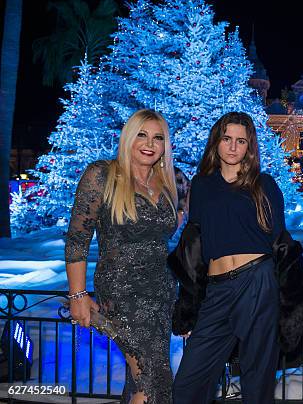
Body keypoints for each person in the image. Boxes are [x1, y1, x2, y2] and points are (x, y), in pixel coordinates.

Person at [65, 109, 180, 404]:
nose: (150, 143)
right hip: (122, 292)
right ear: (128, 137)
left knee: (140, 378)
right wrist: (78, 295)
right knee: (154, 379)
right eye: (142, 134)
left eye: (158, 137)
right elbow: (77, 241)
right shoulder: (101, 175)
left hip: (161, 293)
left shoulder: (171, 182)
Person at [172, 112, 286, 404]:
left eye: (241, 141)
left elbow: (281, 243)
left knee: (257, 382)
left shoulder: (265, 185)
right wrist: (190, 304)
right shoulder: (201, 185)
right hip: (217, 289)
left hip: (257, 282)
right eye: (227, 139)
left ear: (249, 146)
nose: (233, 147)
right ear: (216, 142)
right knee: (188, 382)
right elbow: (194, 246)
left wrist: (291, 303)